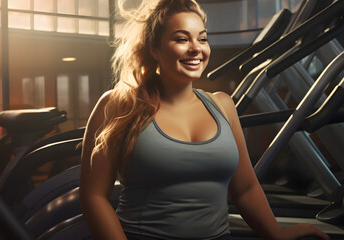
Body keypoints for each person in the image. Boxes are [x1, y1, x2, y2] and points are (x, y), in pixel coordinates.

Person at [80, 0, 330, 239]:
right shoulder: (118, 105)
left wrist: (276, 234)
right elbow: (93, 197)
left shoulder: (223, 105)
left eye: (202, 39)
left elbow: (245, 188)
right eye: (181, 39)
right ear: (154, 48)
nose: (196, 48)